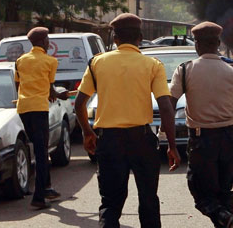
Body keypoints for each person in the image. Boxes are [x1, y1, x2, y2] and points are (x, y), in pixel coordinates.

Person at [74, 13, 180, 227]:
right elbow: (166, 107)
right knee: (149, 201)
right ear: (140, 37)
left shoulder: (97, 63)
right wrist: (171, 145)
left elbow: (79, 104)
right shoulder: (153, 65)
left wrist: (87, 132)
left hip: (109, 141)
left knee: (110, 204)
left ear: (115, 38)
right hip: (142, 140)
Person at [170, 22, 233, 228]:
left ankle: (228, 218)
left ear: (197, 44)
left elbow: (170, 104)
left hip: (202, 140)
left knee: (201, 194)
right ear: (218, 44)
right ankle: (230, 219)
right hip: (229, 139)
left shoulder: (185, 70)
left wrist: (166, 135)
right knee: (224, 192)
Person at [15, 27, 70, 209]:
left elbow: (18, 85)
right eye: (47, 40)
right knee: (41, 152)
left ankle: (46, 187)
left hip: (23, 108)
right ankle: (39, 197)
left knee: (39, 148)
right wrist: (60, 95)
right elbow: (51, 90)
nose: (48, 42)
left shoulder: (20, 60)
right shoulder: (50, 61)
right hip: (39, 109)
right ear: (42, 42)